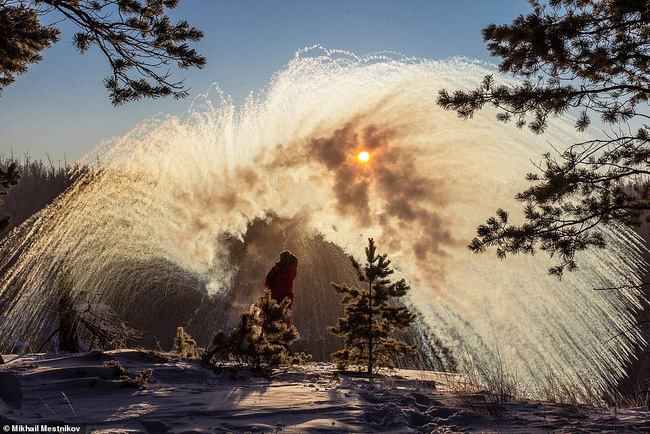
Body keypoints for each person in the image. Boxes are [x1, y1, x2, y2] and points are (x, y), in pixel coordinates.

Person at [264, 250, 298, 326]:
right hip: (278, 315)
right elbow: (282, 300)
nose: (296, 270)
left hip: (275, 313)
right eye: (295, 267)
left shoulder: (279, 273)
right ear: (290, 266)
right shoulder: (285, 277)